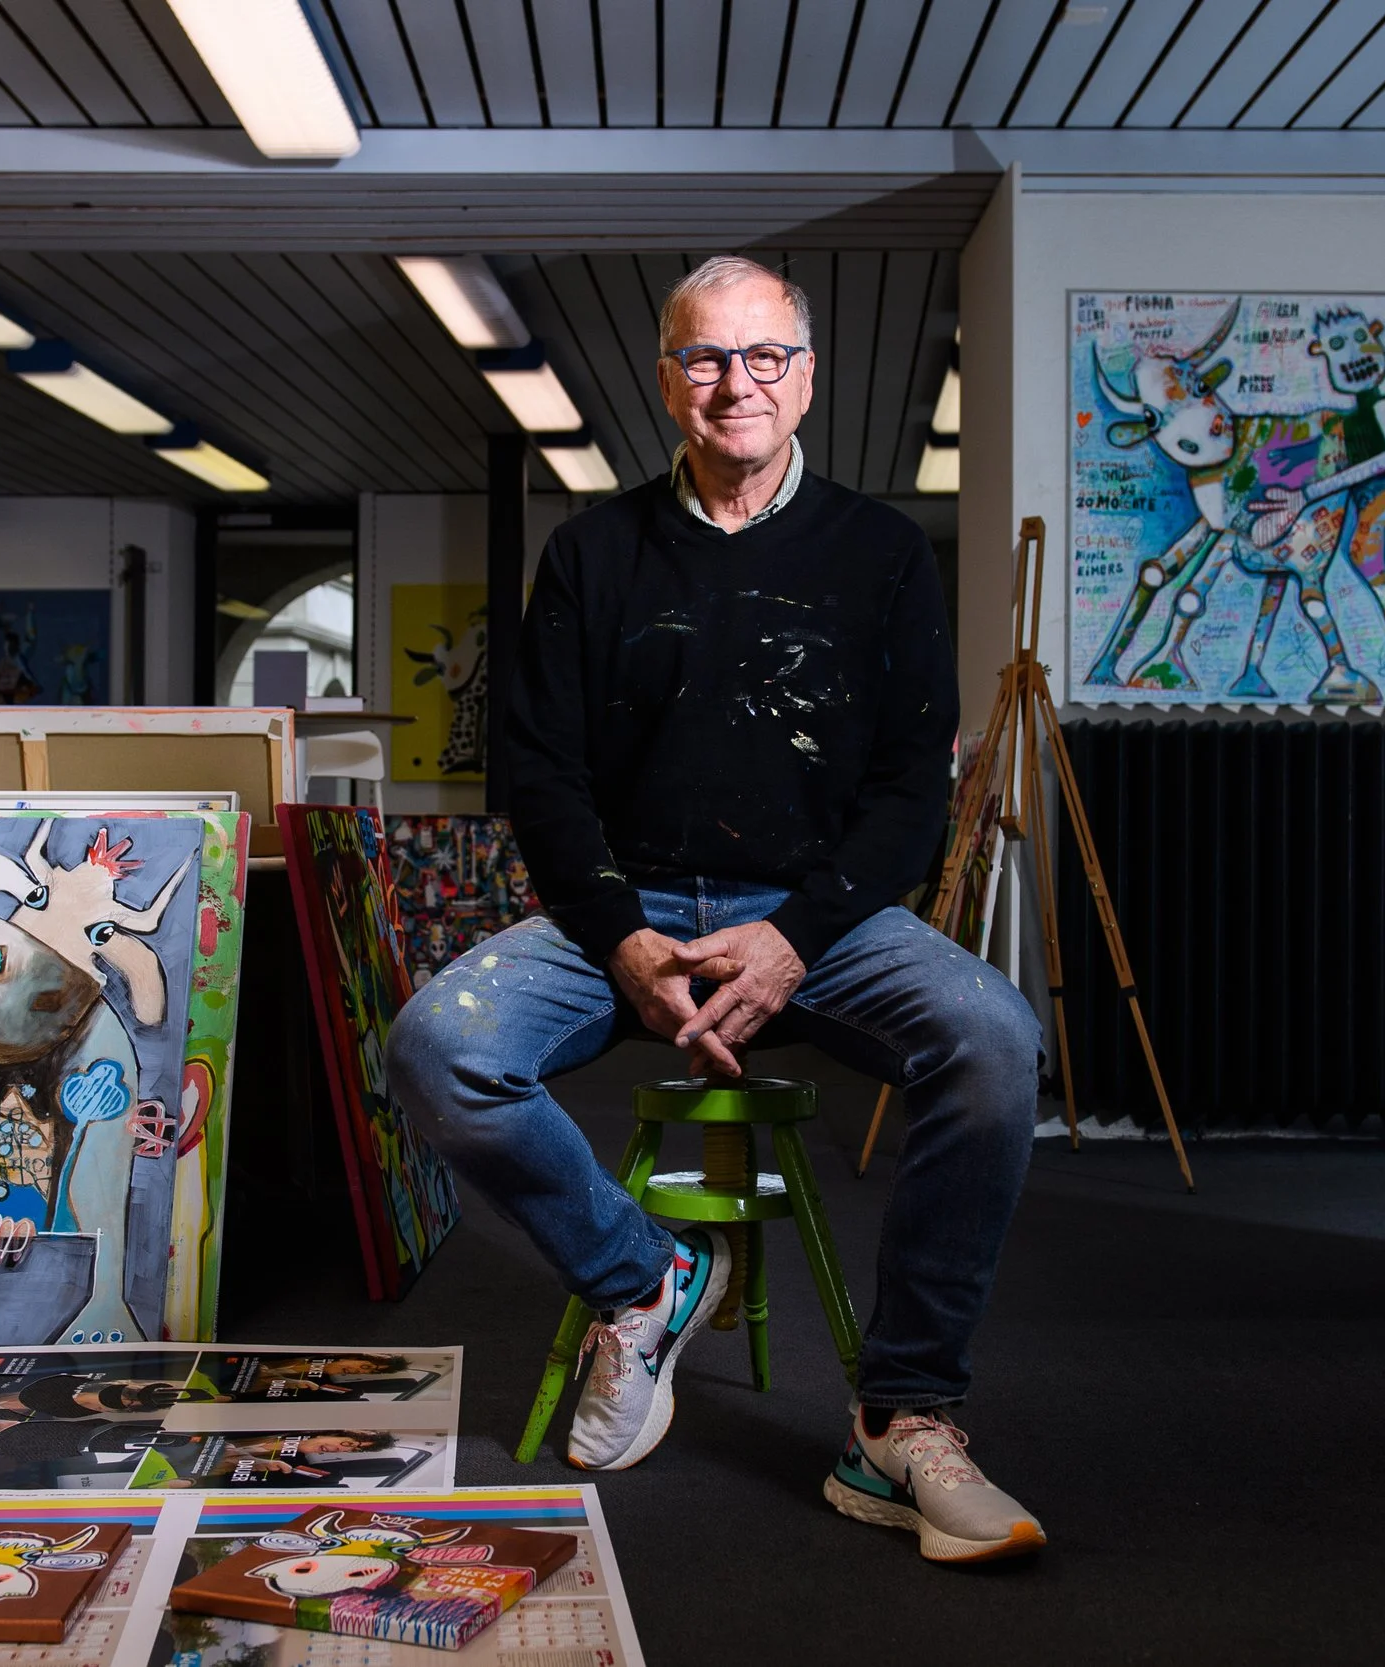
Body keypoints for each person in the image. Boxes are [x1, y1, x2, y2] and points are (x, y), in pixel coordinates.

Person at [386, 256, 1045, 1564]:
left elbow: (914, 788)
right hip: (624, 909)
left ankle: (902, 1417)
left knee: (994, 1038)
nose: (735, 382)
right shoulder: (594, 553)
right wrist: (622, 936)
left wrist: (797, 936)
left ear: (805, 378)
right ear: (667, 378)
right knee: (437, 1045)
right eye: (705, 357)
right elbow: (543, 775)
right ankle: (644, 1279)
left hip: (822, 918)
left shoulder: (880, 554)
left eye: (763, 357)